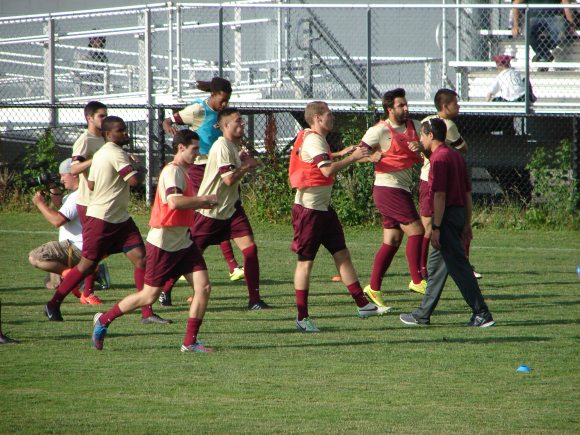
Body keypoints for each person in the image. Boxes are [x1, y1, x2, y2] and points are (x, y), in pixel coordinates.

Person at [92, 130, 218, 352]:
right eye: (194, 149)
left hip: (183, 241)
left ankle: (189, 342)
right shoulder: (172, 171)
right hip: (164, 243)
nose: (197, 154)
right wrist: (203, 200)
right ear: (181, 148)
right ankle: (103, 320)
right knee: (148, 296)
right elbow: (174, 202)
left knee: (204, 287)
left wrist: (201, 203)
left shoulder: (183, 171)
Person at [43, 116, 168, 324]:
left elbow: (91, 184)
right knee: (86, 266)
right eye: (120, 130)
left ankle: (147, 313)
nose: (125, 133)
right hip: (102, 219)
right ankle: (53, 303)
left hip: (120, 219)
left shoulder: (101, 153)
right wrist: (139, 167)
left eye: (125, 129)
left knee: (141, 259)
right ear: (108, 134)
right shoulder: (116, 153)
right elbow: (134, 181)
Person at [290, 101, 389, 332]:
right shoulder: (314, 139)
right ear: (317, 118)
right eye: (329, 114)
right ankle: (302, 318)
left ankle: (363, 305)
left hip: (323, 209)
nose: (332, 117)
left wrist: (344, 154)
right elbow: (326, 169)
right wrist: (352, 158)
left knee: (342, 254)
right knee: (305, 263)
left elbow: (316, 158)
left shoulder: (313, 137)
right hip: (309, 211)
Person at [399, 118, 495, 327]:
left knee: (459, 268)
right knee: (436, 268)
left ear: (431, 135)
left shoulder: (439, 159)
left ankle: (482, 313)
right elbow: (467, 194)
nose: (420, 139)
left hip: (446, 218)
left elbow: (440, 195)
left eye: (422, 135)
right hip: (457, 215)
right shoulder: (455, 156)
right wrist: (467, 223)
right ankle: (422, 315)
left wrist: (436, 227)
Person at [160, 77, 244, 306]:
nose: (224, 104)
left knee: (220, 214)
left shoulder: (223, 117)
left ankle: (233, 267)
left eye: (227, 101)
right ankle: (168, 284)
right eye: (222, 100)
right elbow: (169, 120)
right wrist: (171, 130)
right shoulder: (198, 109)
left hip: (218, 168)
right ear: (213, 95)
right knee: (208, 218)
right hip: (200, 169)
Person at [190, 107, 271, 310]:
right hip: (211, 211)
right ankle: (164, 290)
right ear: (226, 125)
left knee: (250, 250)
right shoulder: (222, 146)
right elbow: (228, 179)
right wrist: (247, 165)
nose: (242, 123)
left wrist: (241, 159)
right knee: (189, 254)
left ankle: (254, 300)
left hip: (232, 209)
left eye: (242, 120)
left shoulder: (232, 146)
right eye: (238, 121)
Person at [357, 88, 426, 311]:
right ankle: (417, 280)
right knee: (417, 230)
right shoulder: (378, 131)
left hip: (401, 189)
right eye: (401, 105)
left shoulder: (416, 126)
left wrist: (422, 147)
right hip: (387, 189)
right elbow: (357, 155)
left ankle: (373, 288)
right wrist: (370, 156)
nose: (406, 108)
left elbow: (431, 148)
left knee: (393, 241)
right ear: (389, 109)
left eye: (406, 104)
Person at [419, 89, 481, 280]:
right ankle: (461, 264)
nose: (458, 106)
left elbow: (421, 148)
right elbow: (463, 148)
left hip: (425, 178)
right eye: (455, 103)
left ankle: (422, 269)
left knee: (428, 226)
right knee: (448, 224)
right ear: (445, 106)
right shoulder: (449, 126)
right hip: (439, 178)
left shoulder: (426, 121)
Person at [28, 158, 84, 298]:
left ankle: (75, 275)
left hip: (75, 248)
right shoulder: (79, 193)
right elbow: (61, 204)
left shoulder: (77, 196)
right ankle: (88, 273)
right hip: (78, 248)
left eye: (63, 175)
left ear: (74, 174)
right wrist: (51, 185)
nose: (61, 180)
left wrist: (40, 204)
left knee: (35, 257)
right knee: (51, 284)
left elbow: (58, 220)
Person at [512, 0, 576, 63]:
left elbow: (565, 2)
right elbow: (516, 3)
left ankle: (542, 53)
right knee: (527, 32)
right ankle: (545, 55)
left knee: (561, 33)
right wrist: (515, 25)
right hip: (533, 17)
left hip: (554, 16)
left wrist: (571, 23)